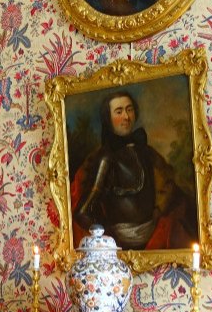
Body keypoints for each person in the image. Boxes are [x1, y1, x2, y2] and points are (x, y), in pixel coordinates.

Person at [68, 91, 195, 251]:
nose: (126, 117)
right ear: (108, 119)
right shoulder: (105, 158)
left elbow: (168, 188)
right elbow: (82, 212)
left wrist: (159, 212)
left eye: (129, 109)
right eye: (119, 111)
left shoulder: (147, 152)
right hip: (119, 241)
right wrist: (108, 236)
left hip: (154, 233)